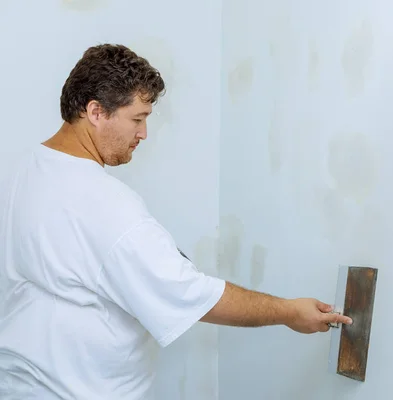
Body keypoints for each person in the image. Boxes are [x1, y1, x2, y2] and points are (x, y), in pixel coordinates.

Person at [0, 43, 352, 399]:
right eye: (138, 118)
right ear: (95, 112)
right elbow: (189, 292)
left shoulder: (27, 169)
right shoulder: (106, 204)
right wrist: (289, 312)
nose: (143, 134)